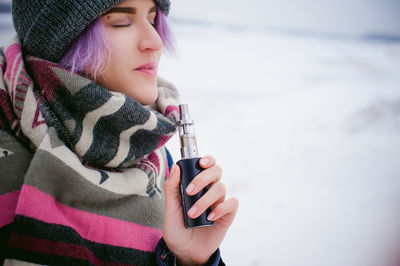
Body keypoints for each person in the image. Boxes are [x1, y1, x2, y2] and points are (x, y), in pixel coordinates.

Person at [0, 0, 239, 265]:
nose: (155, 42)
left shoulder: (155, 157)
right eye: (121, 22)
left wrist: (191, 259)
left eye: (152, 20)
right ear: (63, 40)